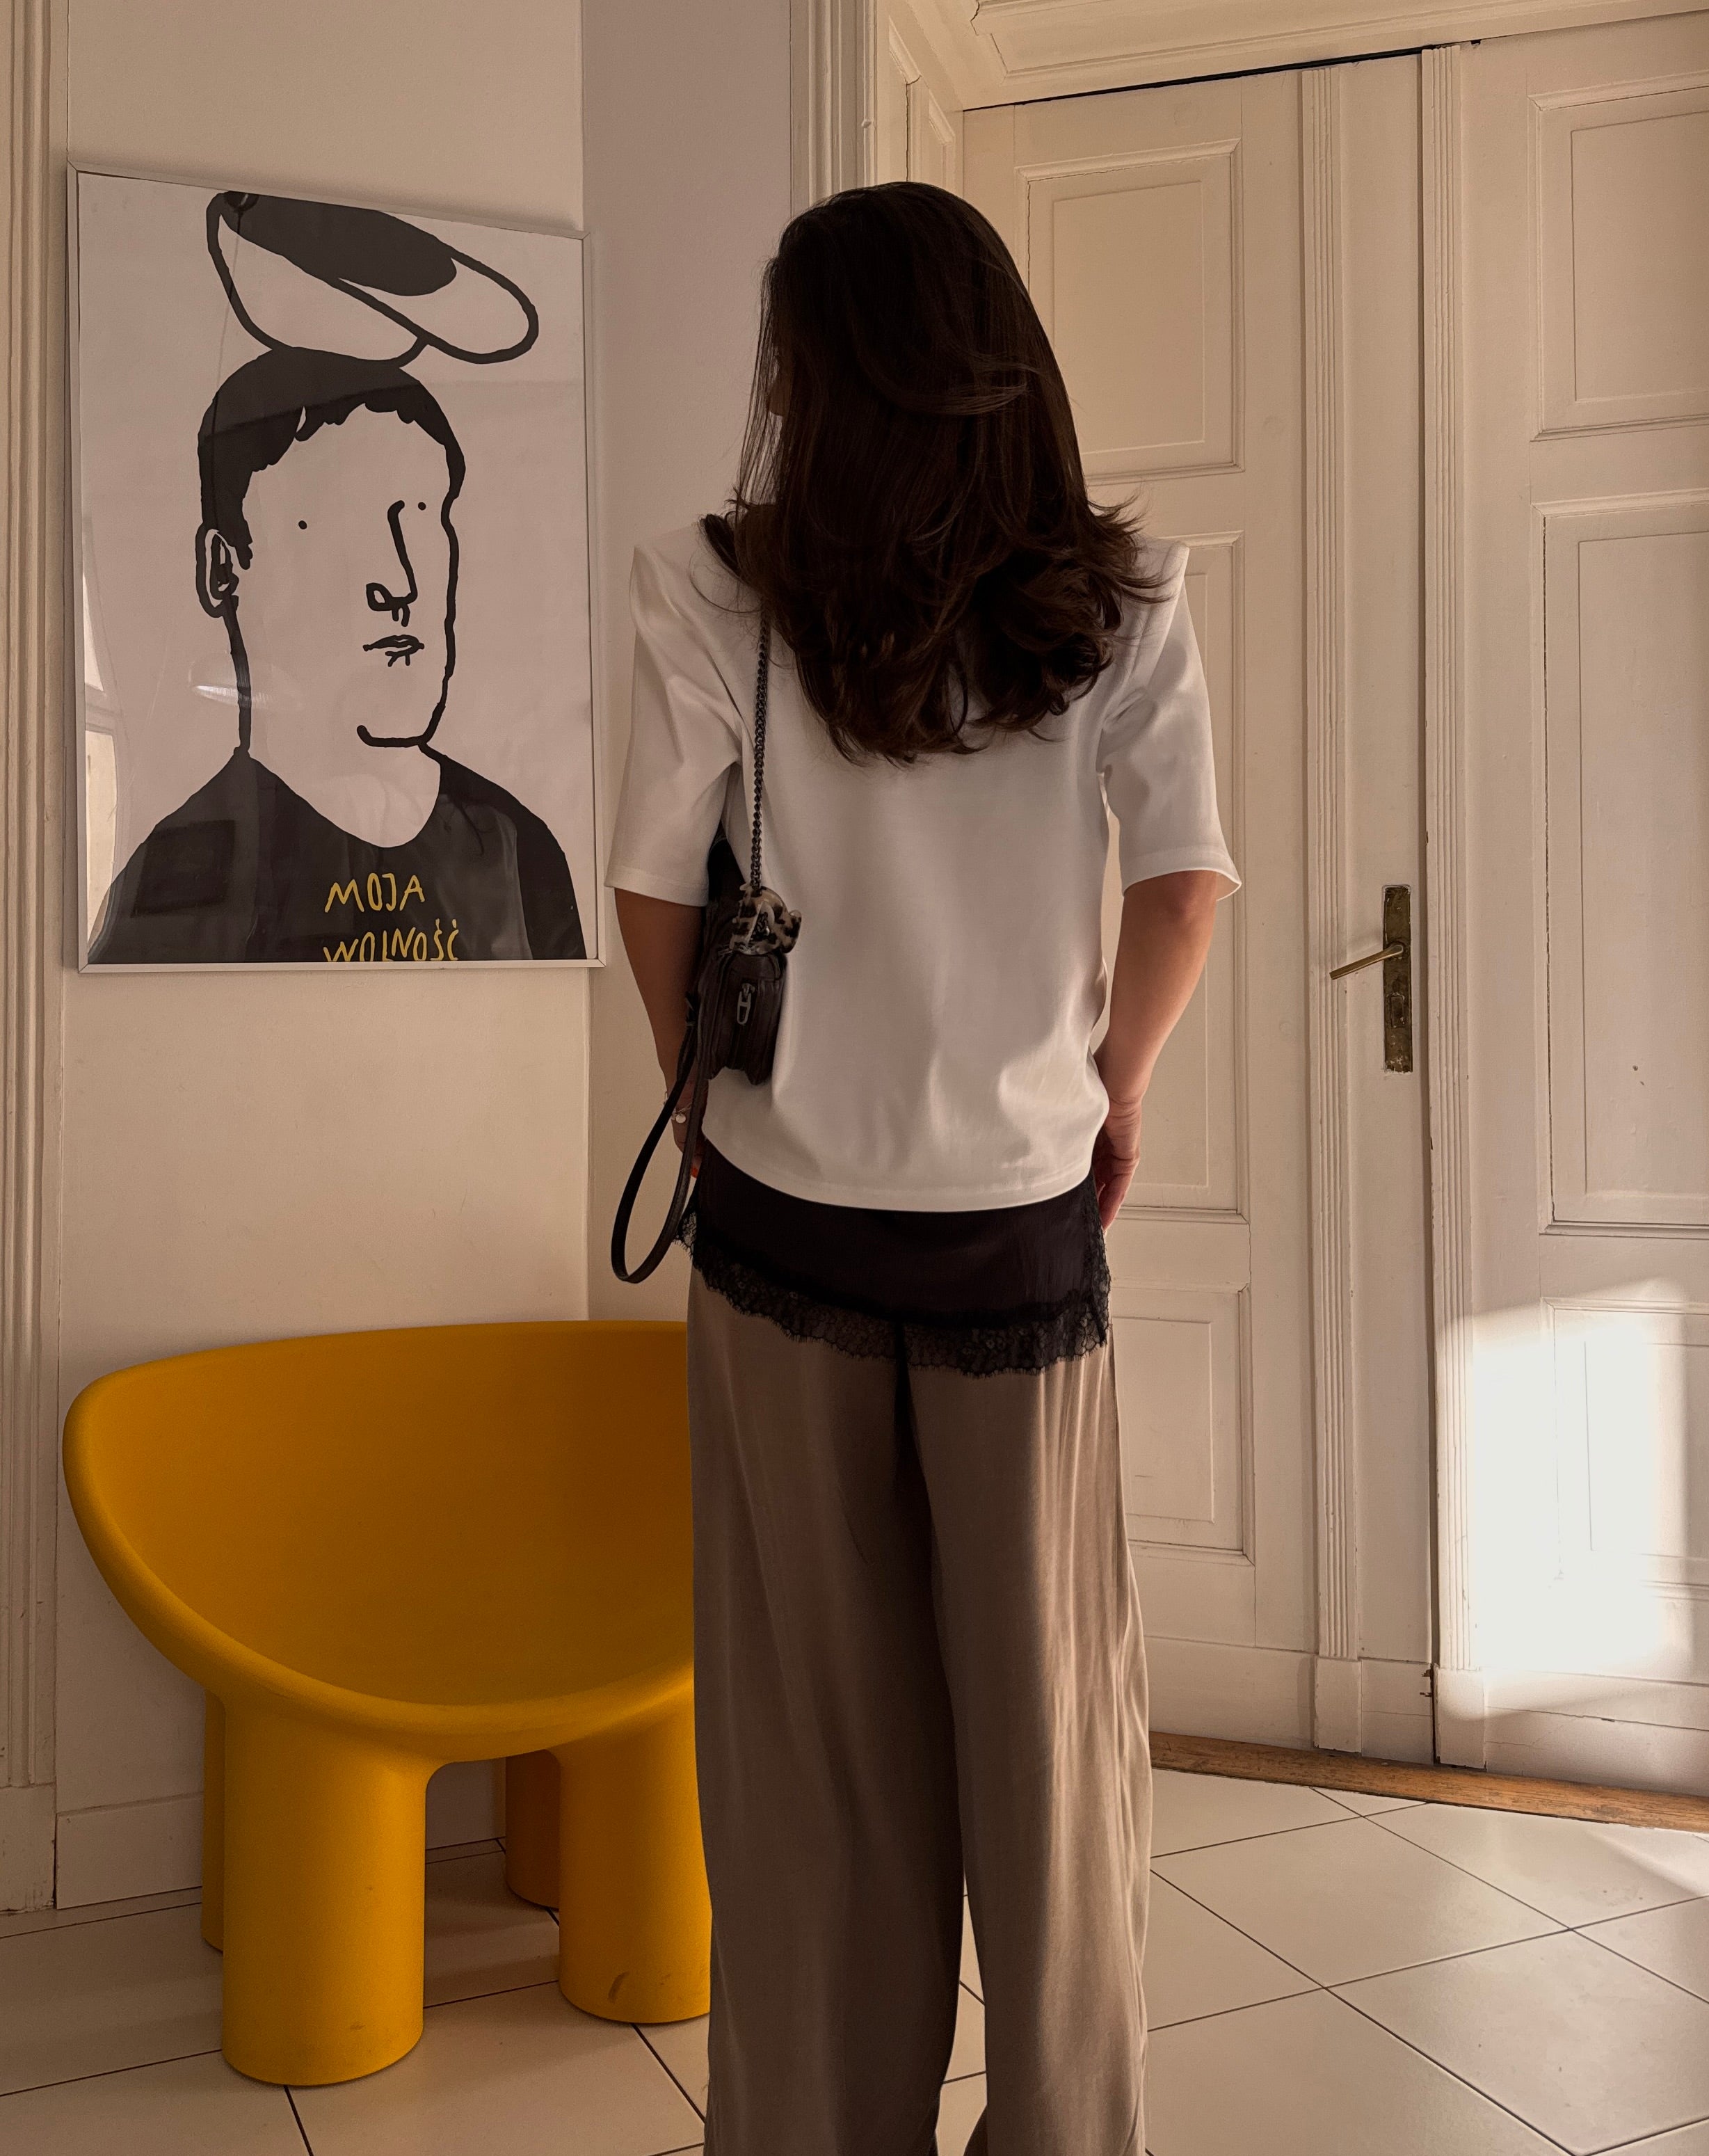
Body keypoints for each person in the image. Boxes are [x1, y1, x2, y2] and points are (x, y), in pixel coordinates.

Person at [607, 181, 1238, 2155]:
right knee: (1048, 1768)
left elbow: (650, 886)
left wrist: (697, 1090)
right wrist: (1113, 1087)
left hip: (778, 1225)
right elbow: (1185, 881)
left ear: (813, 375)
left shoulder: (712, 586)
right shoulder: (1119, 600)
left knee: (811, 1770)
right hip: (1017, 1245)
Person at [89, 346, 586, 965]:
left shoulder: (521, 853)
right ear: (224, 569)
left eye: (423, 515)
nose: (401, 581)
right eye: (338, 523)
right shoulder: (173, 894)